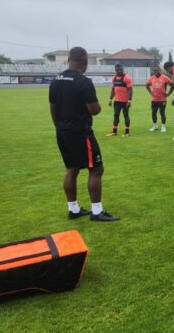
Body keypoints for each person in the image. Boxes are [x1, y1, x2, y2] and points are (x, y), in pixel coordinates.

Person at [49, 47, 119, 221]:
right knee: (96, 169)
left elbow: (53, 108)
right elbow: (94, 110)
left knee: (71, 169)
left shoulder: (55, 80)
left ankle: (73, 209)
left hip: (62, 131)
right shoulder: (83, 81)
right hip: (80, 132)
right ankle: (97, 212)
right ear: (85, 62)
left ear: (69, 60)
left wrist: (59, 127)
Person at [146, 64, 174, 132]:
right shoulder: (152, 78)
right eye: (154, 70)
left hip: (162, 99)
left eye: (157, 70)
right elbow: (147, 85)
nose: (156, 71)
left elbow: (172, 86)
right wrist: (151, 93)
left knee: (162, 113)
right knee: (153, 113)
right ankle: (155, 126)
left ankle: (163, 126)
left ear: (160, 70)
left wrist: (168, 94)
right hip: (154, 99)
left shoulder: (165, 78)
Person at [106, 64, 132, 137]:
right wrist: (110, 99)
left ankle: (127, 132)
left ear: (122, 69)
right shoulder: (114, 78)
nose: (119, 71)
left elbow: (130, 90)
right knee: (116, 116)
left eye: (121, 69)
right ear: (115, 70)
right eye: (118, 70)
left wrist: (129, 101)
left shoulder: (126, 78)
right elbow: (113, 89)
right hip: (117, 101)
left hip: (125, 101)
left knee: (126, 116)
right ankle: (114, 132)